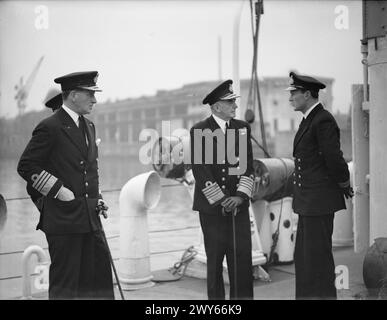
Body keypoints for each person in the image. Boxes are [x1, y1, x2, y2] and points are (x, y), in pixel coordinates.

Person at [17, 71, 114, 300]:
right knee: (66, 287)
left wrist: (98, 198)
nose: (95, 100)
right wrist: (58, 190)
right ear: (72, 95)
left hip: (91, 218)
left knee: (98, 282)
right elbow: (27, 165)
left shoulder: (89, 126)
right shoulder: (50, 126)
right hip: (64, 220)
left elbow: (90, 171)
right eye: (90, 94)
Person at [286, 71, 354, 299]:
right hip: (308, 203)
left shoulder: (322, 119)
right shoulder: (309, 120)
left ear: (307, 94)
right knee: (305, 258)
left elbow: (334, 158)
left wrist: (344, 182)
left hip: (318, 203)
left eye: (294, 93)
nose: (290, 98)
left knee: (319, 259)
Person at [190, 80, 255, 300]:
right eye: (230, 103)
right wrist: (222, 201)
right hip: (212, 211)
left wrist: (239, 197)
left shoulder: (242, 129)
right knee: (215, 263)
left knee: (242, 263)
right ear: (217, 106)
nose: (235, 106)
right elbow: (201, 171)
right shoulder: (200, 130)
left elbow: (248, 166)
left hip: (239, 208)